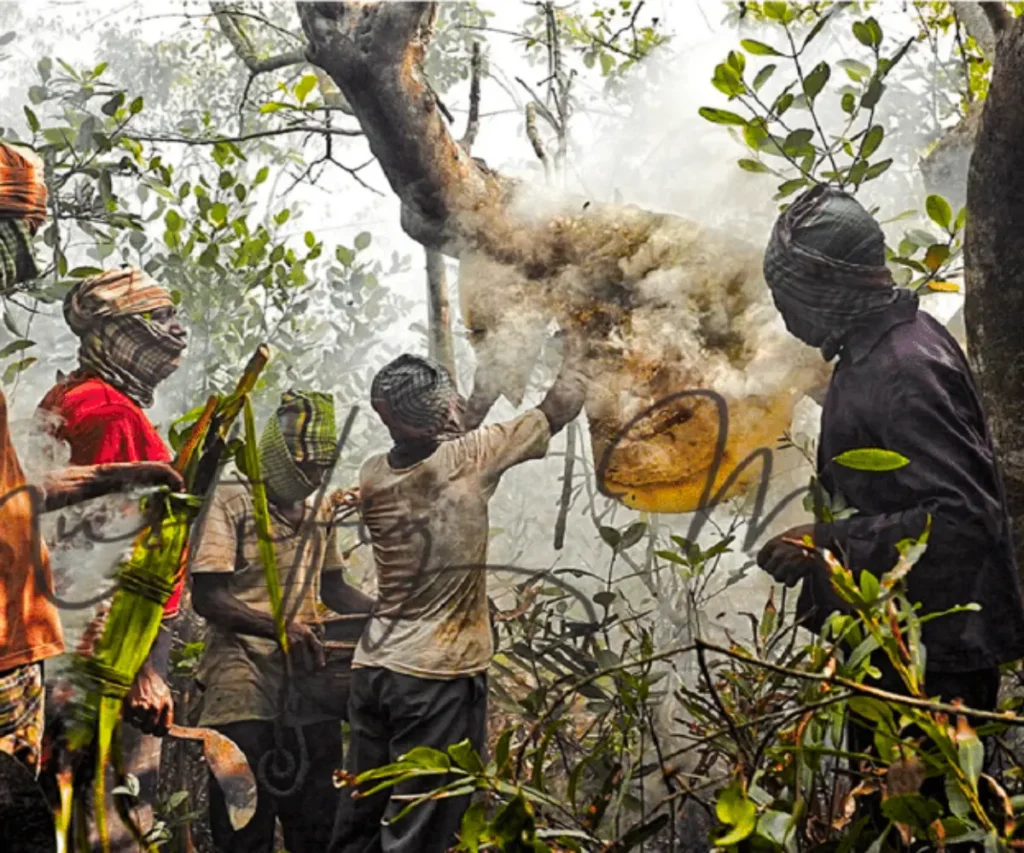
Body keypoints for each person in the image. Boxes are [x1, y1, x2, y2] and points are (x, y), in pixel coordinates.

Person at [755, 184, 1024, 842]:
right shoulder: (891, 343)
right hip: (910, 651)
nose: (784, 312)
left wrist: (828, 546)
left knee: (922, 827)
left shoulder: (903, 368)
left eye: (790, 295)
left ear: (827, 284)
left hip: (934, 667)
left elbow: (962, 520)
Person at [329, 346, 587, 853]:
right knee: (421, 823)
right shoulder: (469, 457)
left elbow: (446, 429)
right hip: (435, 675)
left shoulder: (373, 474)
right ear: (447, 413)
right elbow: (561, 405)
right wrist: (579, 341)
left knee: (362, 811)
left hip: (375, 667)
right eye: (452, 404)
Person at [35, 265, 188, 849]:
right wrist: (136, 670)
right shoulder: (109, 414)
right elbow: (96, 551)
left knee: (69, 803)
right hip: (115, 640)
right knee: (112, 813)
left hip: (78, 636)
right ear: (121, 332)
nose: (174, 334)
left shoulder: (72, 395)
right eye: (159, 321)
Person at [190, 390, 372, 853]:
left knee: (317, 821)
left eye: (320, 470)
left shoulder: (319, 510)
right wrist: (278, 629)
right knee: (242, 823)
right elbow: (208, 597)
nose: (314, 479)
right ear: (278, 457)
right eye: (305, 468)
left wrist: (386, 612)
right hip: (241, 680)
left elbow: (333, 587)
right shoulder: (234, 498)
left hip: (309, 680)